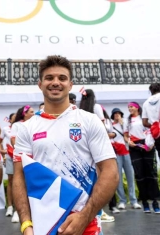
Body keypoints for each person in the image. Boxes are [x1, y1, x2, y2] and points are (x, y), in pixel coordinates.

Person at [12, 55, 119, 235]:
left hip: (85, 223)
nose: (55, 82)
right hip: (44, 224)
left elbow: (111, 172)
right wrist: (26, 224)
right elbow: (19, 177)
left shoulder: (89, 121)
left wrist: (84, 216)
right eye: (49, 78)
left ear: (70, 85)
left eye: (62, 78)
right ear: (40, 84)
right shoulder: (26, 128)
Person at [79, 89, 115, 222]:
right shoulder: (97, 107)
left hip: (85, 148)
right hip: (98, 146)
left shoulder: (80, 110)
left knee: (90, 179)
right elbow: (103, 125)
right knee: (101, 177)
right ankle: (99, 211)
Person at [124, 101, 160, 213]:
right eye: (128, 107)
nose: (130, 108)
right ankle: (144, 202)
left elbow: (152, 130)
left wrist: (152, 143)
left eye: (131, 107)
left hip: (147, 145)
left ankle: (155, 202)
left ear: (137, 108)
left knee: (151, 173)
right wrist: (129, 142)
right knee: (139, 174)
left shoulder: (145, 118)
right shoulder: (127, 120)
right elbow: (126, 136)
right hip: (135, 147)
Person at [111, 108, 141, 210]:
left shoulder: (125, 124)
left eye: (119, 113)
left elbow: (127, 135)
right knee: (118, 178)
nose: (117, 115)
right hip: (116, 153)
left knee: (130, 177)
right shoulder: (110, 125)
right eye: (115, 114)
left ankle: (133, 201)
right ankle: (122, 201)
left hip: (127, 152)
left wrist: (122, 123)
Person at [10, 105, 34, 223]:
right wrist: (22, 154)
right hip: (22, 158)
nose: (33, 113)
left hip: (34, 159)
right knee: (20, 184)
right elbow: (13, 140)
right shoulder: (17, 125)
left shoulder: (35, 123)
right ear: (24, 113)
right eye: (31, 111)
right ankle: (16, 211)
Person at [0, 113, 16, 217]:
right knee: (10, 181)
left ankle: (18, 208)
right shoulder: (6, 129)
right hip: (10, 156)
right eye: (13, 118)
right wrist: (2, 152)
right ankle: (10, 207)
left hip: (21, 157)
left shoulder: (22, 127)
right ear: (9, 120)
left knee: (21, 182)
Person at [142, 83, 160, 158]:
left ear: (151, 91)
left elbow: (144, 122)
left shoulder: (146, 103)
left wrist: (154, 125)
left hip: (157, 134)